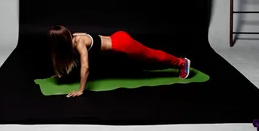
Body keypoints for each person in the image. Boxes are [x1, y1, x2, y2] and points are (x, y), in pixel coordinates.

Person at [48, 25, 191, 98]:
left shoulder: (79, 43)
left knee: (151, 56)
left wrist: (80, 90)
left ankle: (181, 63)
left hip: (123, 44)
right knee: (147, 58)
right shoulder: (73, 38)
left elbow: (85, 67)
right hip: (117, 37)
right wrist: (62, 74)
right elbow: (70, 58)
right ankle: (178, 62)